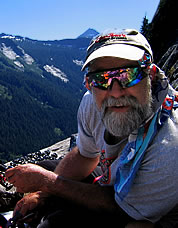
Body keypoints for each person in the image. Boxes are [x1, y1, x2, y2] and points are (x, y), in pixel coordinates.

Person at [5, 29, 178, 227]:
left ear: (152, 76)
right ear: (89, 83)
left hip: (139, 212)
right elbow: (85, 156)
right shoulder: (92, 102)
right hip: (115, 181)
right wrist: (43, 194)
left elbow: (124, 211)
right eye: (100, 79)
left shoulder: (170, 143)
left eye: (129, 75)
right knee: (45, 167)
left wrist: (48, 183)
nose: (115, 92)